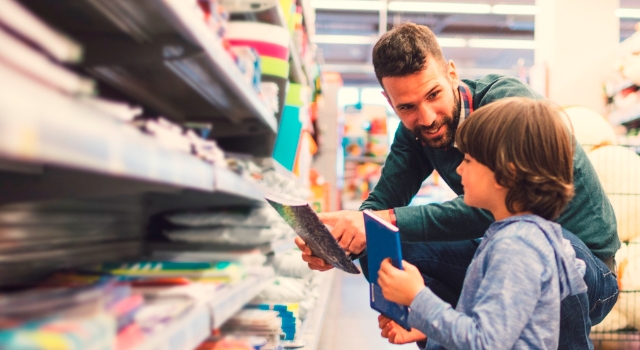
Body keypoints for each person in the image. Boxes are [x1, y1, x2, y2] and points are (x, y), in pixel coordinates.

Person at [295, 23, 620, 349]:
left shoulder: (506, 109)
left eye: (433, 94)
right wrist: (345, 241)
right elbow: (382, 204)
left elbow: (501, 206)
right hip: (507, 249)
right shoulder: (417, 132)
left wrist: (412, 285)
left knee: (533, 249)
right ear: (389, 101)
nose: (426, 117)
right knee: (381, 249)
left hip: (584, 268)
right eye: (406, 107)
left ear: (452, 73)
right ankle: (439, 332)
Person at [377, 96, 587, 349]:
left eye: (468, 160)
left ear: (504, 173)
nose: (458, 170)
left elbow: (485, 342)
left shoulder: (516, 246)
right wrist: (427, 330)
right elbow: (497, 331)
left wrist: (418, 297)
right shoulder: (524, 236)